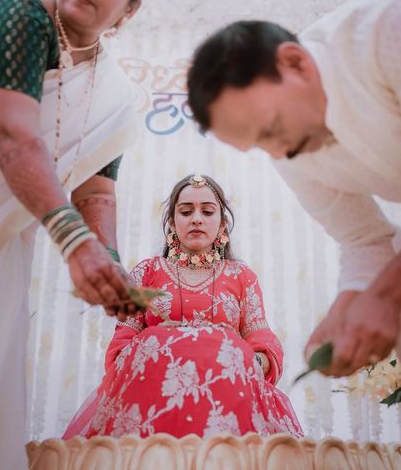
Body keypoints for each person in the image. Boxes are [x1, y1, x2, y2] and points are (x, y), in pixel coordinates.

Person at [0, 0, 151, 470]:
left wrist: (111, 264)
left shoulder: (118, 93)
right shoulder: (19, 14)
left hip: (3, 249)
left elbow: (97, 187)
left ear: (129, 9)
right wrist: (76, 245)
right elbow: (12, 136)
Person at [186, 0, 401, 379]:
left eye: (270, 128)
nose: (277, 153)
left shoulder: (385, 30)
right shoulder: (291, 152)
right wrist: (348, 306)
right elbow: (363, 238)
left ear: (296, 63)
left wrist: (388, 294)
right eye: (256, 146)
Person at [62, 174, 303, 439]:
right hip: (153, 407)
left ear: (222, 225)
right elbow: (121, 349)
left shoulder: (241, 276)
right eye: (186, 211)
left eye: (207, 211)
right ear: (172, 223)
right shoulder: (147, 272)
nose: (196, 218)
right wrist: (161, 342)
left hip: (229, 405)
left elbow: (263, 342)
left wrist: (240, 356)